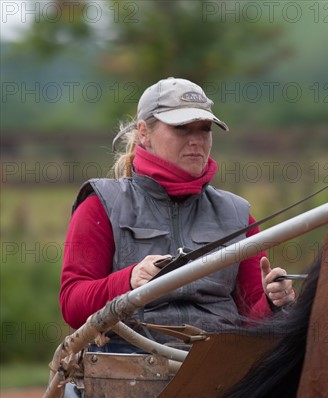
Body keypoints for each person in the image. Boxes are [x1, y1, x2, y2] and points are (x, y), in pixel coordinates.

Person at [60, 77, 296, 349]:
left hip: (218, 364)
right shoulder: (101, 205)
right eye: (182, 128)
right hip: (128, 363)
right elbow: (72, 304)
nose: (196, 141)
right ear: (143, 133)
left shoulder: (238, 215)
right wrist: (129, 280)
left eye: (204, 129)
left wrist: (273, 300)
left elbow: (251, 321)